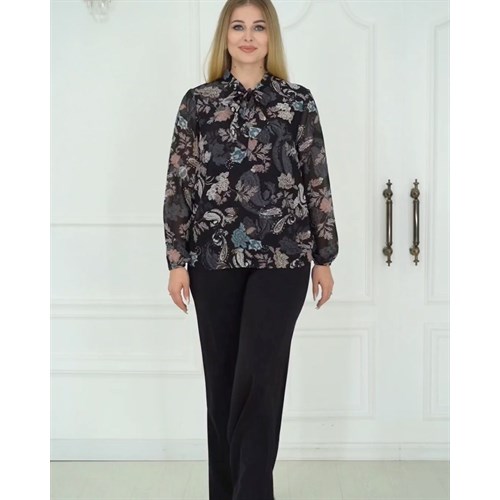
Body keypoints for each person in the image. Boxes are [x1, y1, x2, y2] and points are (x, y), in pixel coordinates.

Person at [163, 1, 339, 498]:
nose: (248, 36)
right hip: (212, 260)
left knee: (260, 384)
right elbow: (179, 184)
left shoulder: (297, 102)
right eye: (238, 26)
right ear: (225, 36)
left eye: (258, 27)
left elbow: (316, 180)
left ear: (270, 37)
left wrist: (324, 257)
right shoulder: (197, 103)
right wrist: (177, 261)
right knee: (222, 387)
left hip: (283, 259)